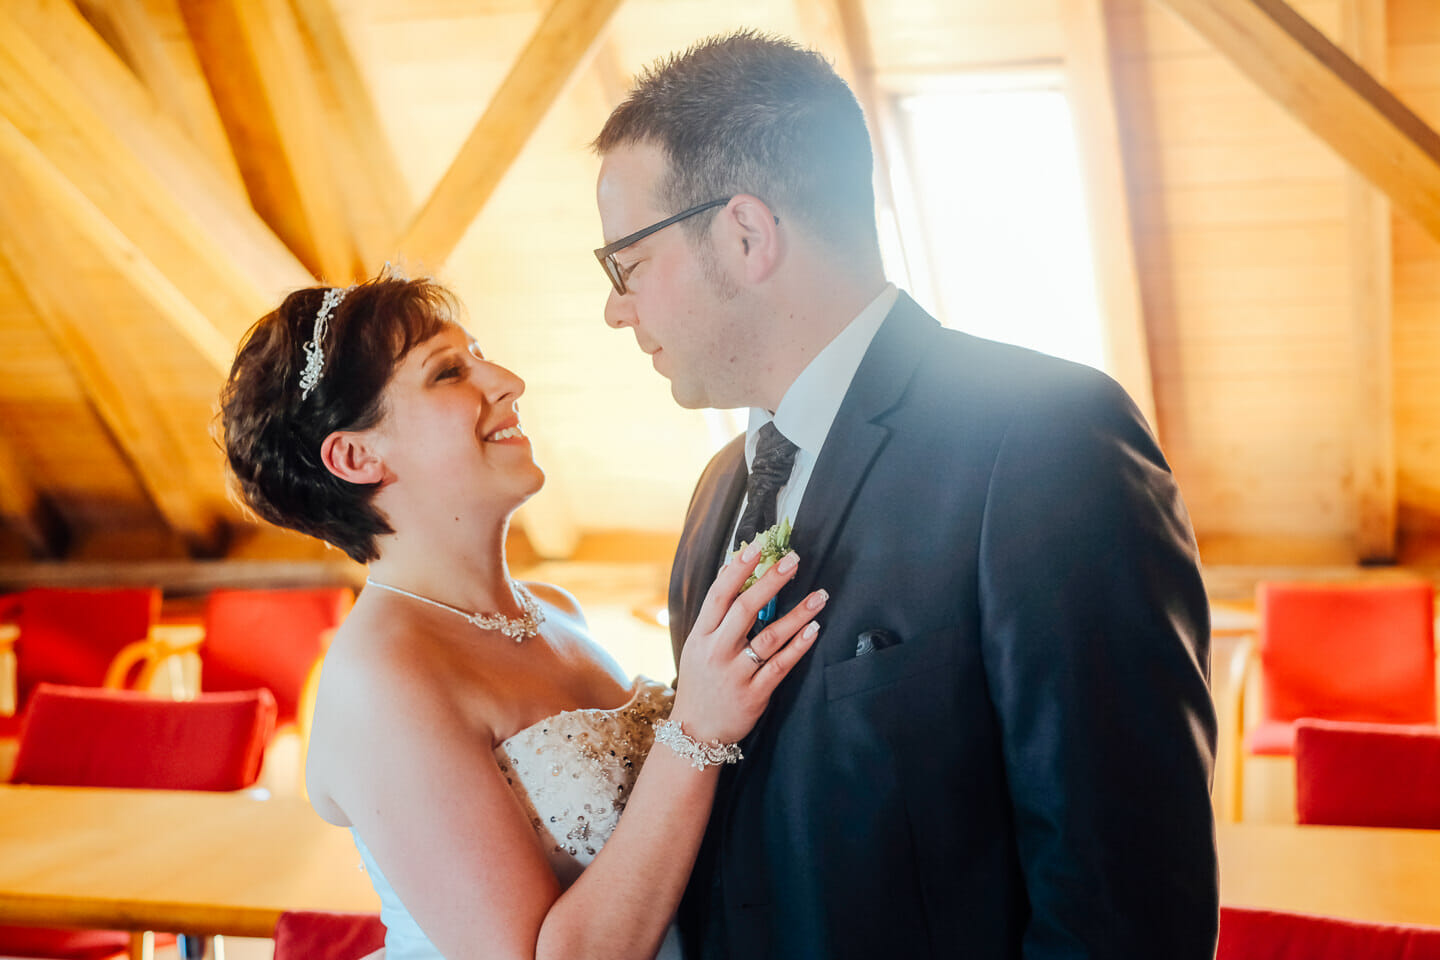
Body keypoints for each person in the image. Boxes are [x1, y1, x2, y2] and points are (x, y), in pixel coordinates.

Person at [592, 30, 1219, 959]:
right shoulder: (718, 493)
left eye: (627, 265)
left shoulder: (1046, 439)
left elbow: (1124, 901)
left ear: (746, 233)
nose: (615, 308)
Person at [219, 272, 826, 960]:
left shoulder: (558, 612)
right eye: (449, 372)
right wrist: (694, 730)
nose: (507, 381)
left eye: (480, 355)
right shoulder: (380, 679)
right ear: (358, 456)